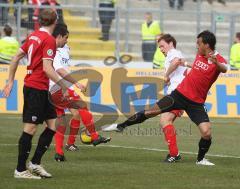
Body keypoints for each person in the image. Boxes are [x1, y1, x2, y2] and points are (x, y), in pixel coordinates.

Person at [102, 30, 228, 166]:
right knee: (151, 112)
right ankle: (121, 126)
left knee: (206, 132)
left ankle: (200, 159)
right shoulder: (199, 54)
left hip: (196, 103)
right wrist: (185, 64)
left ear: (207, 44)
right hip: (179, 94)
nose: (196, 46)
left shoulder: (218, 59)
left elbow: (225, 68)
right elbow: (194, 66)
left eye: (199, 43)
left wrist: (216, 63)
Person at [2, 9, 67, 179]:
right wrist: (63, 84)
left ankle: (35, 163)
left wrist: (10, 81)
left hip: (40, 89)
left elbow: (16, 58)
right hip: (36, 88)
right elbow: (47, 68)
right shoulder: (48, 40)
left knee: (54, 124)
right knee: (30, 128)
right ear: (55, 21)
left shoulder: (33, 36)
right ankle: (20, 169)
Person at [50, 23, 111, 162]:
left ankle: (63, 149)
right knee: (81, 107)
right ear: (59, 36)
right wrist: (76, 83)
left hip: (58, 87)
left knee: (70, 116)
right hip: (58, 87)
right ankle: (94, 137)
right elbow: (59, 69)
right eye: (66, 37)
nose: (67, 40)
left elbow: (62, 67)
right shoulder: (53, 49)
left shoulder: (64, 48)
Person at [157, 34, 187, 162]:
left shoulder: (173, 53)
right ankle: (174, 154)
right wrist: (168, 79)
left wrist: (166, 75)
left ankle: (174, 154)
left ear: (170, 43)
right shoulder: (172, 54)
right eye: (159, 48)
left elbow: (176, 62)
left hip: (178, 93)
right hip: (177, 92)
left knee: (164, 120)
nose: (161, 49)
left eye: (162, 46)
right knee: (165, 121)